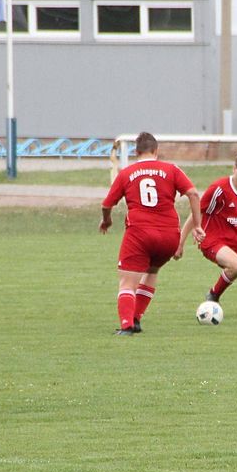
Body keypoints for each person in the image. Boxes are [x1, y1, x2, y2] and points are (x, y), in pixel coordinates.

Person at [100, 131, 204, 335]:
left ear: (136, 152)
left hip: (140, 234)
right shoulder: (172, 169)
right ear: (156, 150)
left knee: (127, 283)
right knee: (152, 271)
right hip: (169, 237)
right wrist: (198, 225)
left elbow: (106, 204)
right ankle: (136, 318)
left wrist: (107, 220)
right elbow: (193, 193)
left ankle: (126, 325)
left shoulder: (126, 173)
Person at [175, 151, 237, 316]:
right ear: (234, 169)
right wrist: (180, 243)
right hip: (213, 241)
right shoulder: (219, 188)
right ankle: (213, 295)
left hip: (236, 242)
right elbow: (197, 212)